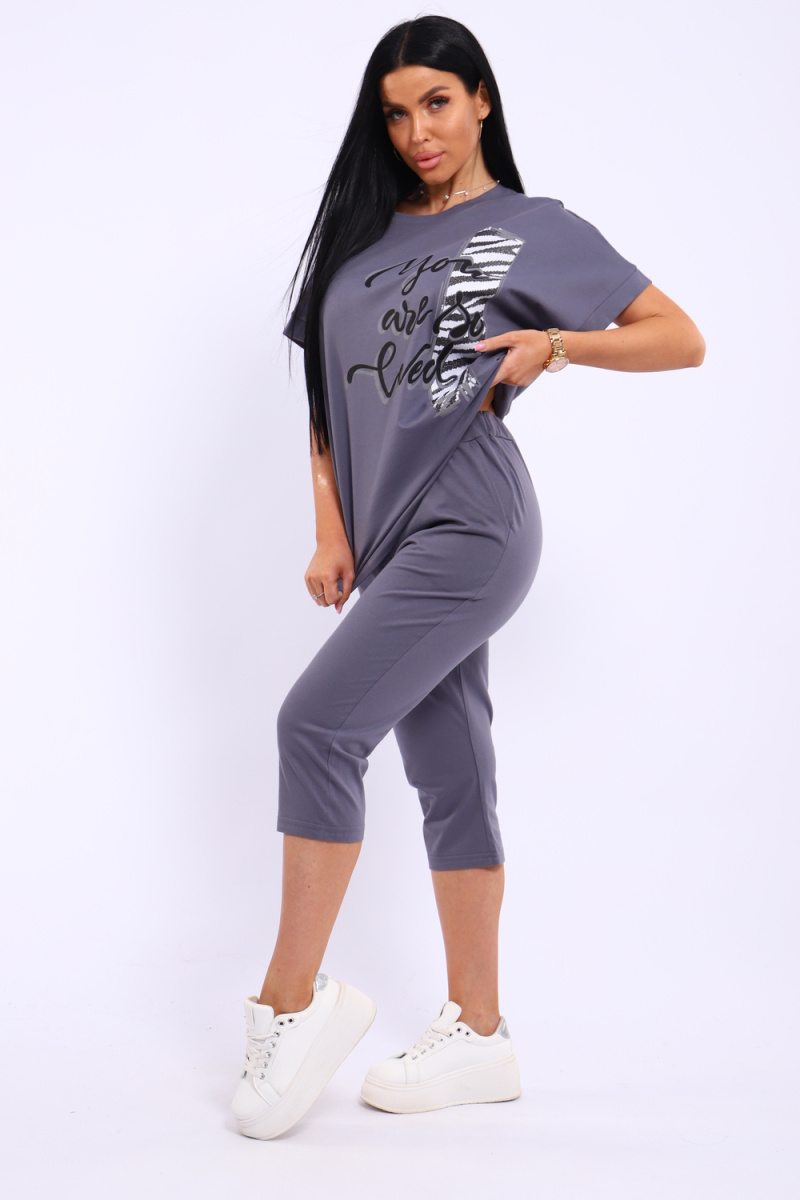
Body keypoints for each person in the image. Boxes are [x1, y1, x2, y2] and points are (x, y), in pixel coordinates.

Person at [231, 15, 705, 1140]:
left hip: (471, 520)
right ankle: (481, 1034)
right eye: (396, 113)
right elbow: (324, 400)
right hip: (388, 537)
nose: (416, 132)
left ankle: (291, 1003)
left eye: (436, 103)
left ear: (481, 99)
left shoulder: (533, 229)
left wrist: (558, 346)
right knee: (450, 774)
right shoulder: (360, 234)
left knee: (316, 726)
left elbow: (678, 335)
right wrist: (330, 530)